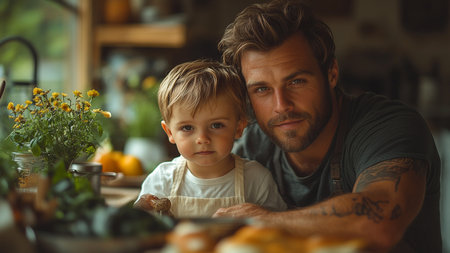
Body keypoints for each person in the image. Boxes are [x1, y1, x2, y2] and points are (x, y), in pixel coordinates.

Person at [212, 1, 441, 252]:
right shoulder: (248, 151)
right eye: (262, 89)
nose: (281, 105)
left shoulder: (390, 127)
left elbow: (379, 223)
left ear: (332, 73)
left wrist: (261, 220)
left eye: (296, 81)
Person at [135, 59, 287, 218]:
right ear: (170, 132)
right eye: (187, 128)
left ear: (239, 127)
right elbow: (140, 227)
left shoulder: (256, 180)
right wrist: (140, 212)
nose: (202, 139)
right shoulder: (162, 179)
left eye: (216, 125)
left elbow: (278, 230)